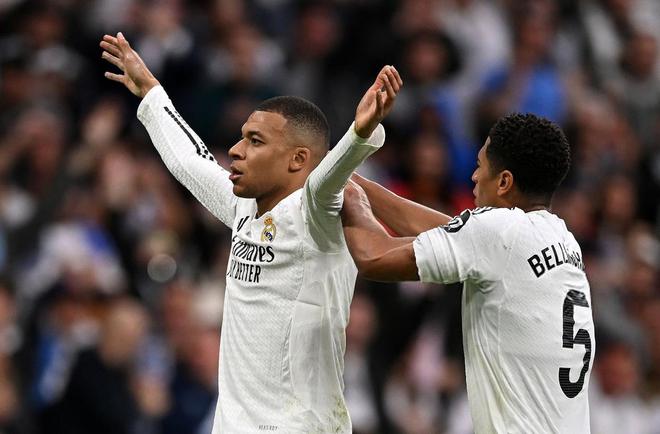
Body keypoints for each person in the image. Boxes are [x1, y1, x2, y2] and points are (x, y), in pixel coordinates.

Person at [100, 32, 403, 433]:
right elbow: (190, 161)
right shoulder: (243, 207)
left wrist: (359, 137)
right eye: (242, 137)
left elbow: (328, 180)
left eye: (255, 141)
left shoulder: (316, 214)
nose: (236, 150)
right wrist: (151, 92)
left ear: (298, 160)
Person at [341, 113, 595, 433]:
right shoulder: (561, 238)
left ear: (503, 182)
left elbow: (373, 256)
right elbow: (448, 232)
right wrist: (358, 182)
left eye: (480, 166)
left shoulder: (498, 233)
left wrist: (342, 191)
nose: (474, 177)